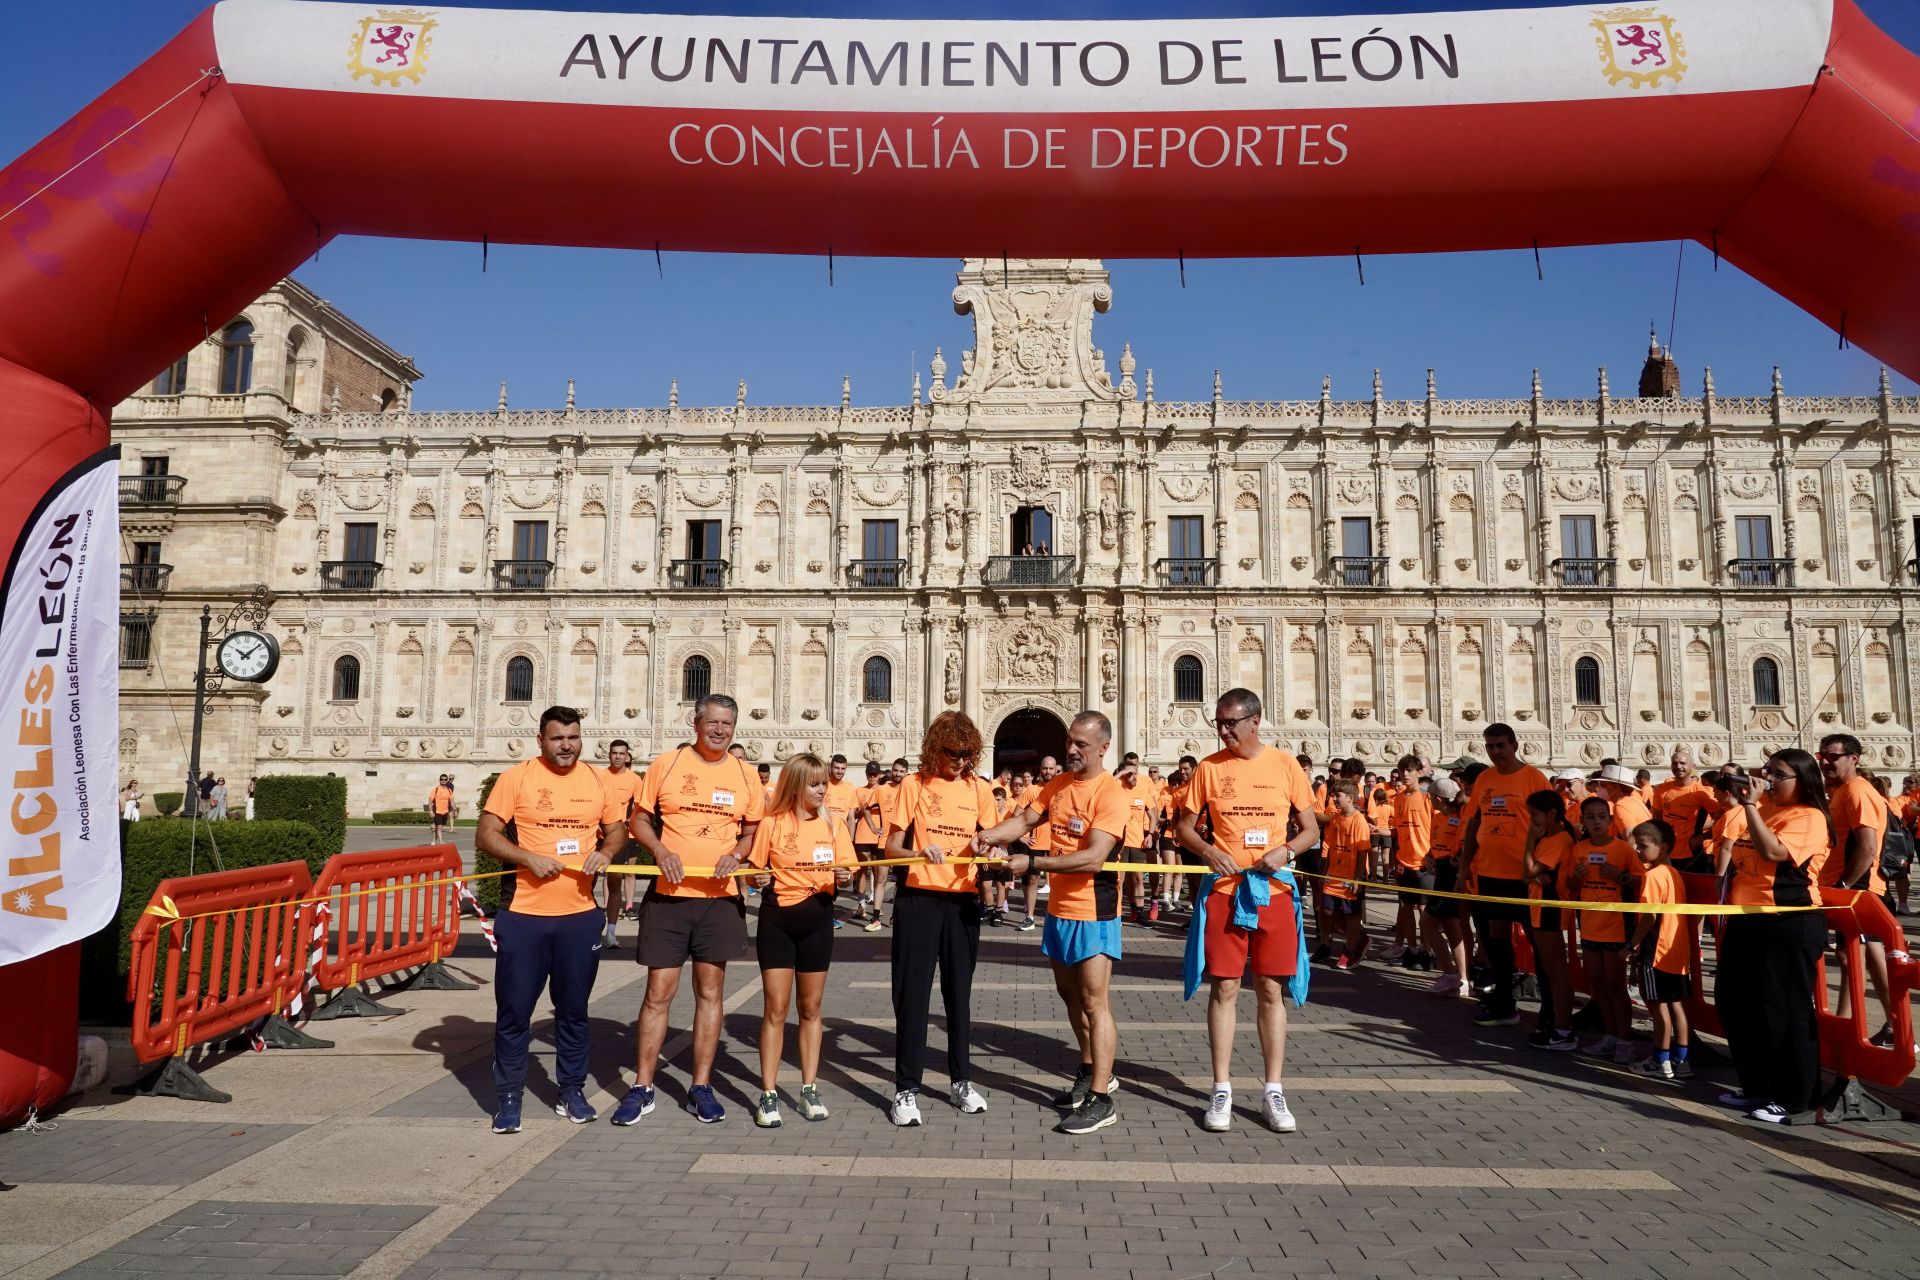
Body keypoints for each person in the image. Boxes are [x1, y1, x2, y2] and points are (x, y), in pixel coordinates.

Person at [974, 711, 1128, 1135]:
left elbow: (1095, 857)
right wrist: (988, 835)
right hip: (1059, 909)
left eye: (1081, 744)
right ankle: (1088, 1068)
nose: (1072, 750)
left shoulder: (1111, 793)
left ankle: (1102, 1096)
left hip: (1094, 909)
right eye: (1070, 742)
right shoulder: (1058, 785)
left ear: (1103, 747)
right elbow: (1024, 820)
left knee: (1095, 1001)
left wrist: (1033, 862)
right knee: (1070, 996)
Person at [1175, 688, 1319, 1135]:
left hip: (1272, 890)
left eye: (1230, 722)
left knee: (1271, 991)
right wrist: (1208, 850)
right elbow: (1184, 827)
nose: (1223, 730)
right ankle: (1221, 1086)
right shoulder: (1209, 769)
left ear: (1255, 720)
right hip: (1224, 889)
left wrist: (1287, 851)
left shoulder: (1285, 765)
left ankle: (1273, 1088)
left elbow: (1311, 829)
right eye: (1218, 722)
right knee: (1225, 988)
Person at [616, 694, 764, 1126]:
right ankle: (642, 1086)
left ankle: (701, 1085)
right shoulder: (668, 764)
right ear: (695, 723)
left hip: (718, 898)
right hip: (669, 897)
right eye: (712, 722)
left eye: (727, 725)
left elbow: (754, 829)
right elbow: (638, 819)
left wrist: (738, 853)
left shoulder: (744, 773)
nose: (719, 730)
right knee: (658, 993)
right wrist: (659, 850)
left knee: (710, 994)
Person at [476, 705, 623, 1134]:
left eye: (573, 737)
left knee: (574, 1011)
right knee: (515, 1011)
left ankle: (571, 1091)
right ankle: (508, 1097)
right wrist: (528, 858)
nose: (567, 746)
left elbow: (617, 830)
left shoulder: (597, 780)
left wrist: (607, 851)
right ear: (540, 740)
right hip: (524, 914)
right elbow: (486, 834)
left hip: (578, 916)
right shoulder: (517, 777)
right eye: (558, 738)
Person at [884, 712, 1000, 1126]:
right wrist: (919, 853)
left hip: (963, 901)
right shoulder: (913, 785)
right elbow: (890, 847)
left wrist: (990, 851)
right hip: (919, 898)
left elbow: (991, 840)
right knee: (912, 995)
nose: (960, 761)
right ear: (936, 748)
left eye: (967, 753)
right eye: (952, 752)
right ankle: (905, 1089)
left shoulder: (978, 788)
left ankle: (961, 1081)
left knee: (959, 995)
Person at [1716, 750, 1830, 1122]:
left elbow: (1772, 851)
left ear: (1802, 779)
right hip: (1748, 918)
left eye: (1779, 774)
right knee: (1736, 1003)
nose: (1769, 779)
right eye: (1768, 771)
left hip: (1787, 920)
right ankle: (1757, 1085)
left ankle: (1796, 1096)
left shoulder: (1809, 816)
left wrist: (1749, 806)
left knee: (1785, 1010)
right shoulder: (1764, 810)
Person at [746, 752, 854, 1127]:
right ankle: (769, 1092)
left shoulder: (834, 826)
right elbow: (753, 873)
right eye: (814, 783)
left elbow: (848, 875)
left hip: (818, 922)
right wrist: (755, 879)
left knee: (811, 1009)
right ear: (795, 786)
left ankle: (809, 1087)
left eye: (824, 782)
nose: (822, 789)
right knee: (776, 1009)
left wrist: (843, 879)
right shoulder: (772, 824)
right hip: (777, 921)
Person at [1458, 724, 1551, 1026]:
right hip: (1489, 873)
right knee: (1495, 939)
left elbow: (1551, 825)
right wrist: (1464, 867)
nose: (1495, 752)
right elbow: (1474, 823)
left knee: (1539, 942)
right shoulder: (1485, 778)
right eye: (1490, 747)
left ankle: (1550, 1010)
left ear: (1514, 745)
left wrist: (1544, 866)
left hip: (1525, 877)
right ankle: (1504, 1002)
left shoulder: (1534, 779)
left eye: (1500, 745)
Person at [1816, 733, 1894, 1042]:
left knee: (1855, 956)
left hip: (1859, 889)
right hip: (1851, 888)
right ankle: (1889, 1024)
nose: (1826, 761)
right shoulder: (1843, 791)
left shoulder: (1857, 791)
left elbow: (1867, 846)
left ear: (1854, 758)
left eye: (1833, 756)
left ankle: (1850, 1026)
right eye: (1823, 755)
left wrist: (1846, 886)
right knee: (1863, 956)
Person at [1566, 795, 1637, 1063]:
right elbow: (1571, 887)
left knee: (1615, 985)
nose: (1597, 821)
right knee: (1597, 985)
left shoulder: (1623, 849)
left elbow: (1640, 882)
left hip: (1616, 926)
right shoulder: (1578, 849)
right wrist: (1577, 878)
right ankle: (1610, 1036)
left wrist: (1618, 876)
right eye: (1591, 817)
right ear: (1582, 821)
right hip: (1589, 924)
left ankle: (1625, 1040)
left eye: (1602, 816)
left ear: (1610, 819)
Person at [1627, 819, 1693, 1081]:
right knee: (1675, 1004)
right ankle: (1682, 1060)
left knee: (1657, 1006)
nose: (1638, 851)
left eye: (1643, 846)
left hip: (1656, 950)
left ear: (1663, 848)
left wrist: (1632, 944)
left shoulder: (1652, 875)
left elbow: (1648, 917)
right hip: (1677, 951)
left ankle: (1660, 1059)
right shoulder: (1674, 873)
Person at [1521, 789, 1576, 1051]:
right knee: (1548, 970)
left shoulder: (1559, 839)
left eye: (1534, 814)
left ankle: (1564, 1030)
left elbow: (1530, 868)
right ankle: (1556, 1024)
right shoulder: (1550, 837)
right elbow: (1527, 874)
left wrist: (1530, 840)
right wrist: (1531, 876)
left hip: (1550, 909)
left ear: (1551, 814)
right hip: (1538, 907)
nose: (1532, 820)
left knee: (1556, 972)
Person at [1420, 776, 1472, 997]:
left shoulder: (1460, 818)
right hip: (1440, 870)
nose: (1429, 800)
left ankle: (1451, 974)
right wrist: (1429, 858)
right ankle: (1461, 978)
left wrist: (1456, 861)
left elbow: (1461, 845)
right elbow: (1434, 845)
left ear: (1438, 798)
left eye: (1431, 796)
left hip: (1451, 874)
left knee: (1427, 921)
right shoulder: (1438, 817)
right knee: (1452, 926)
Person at [1388, 755, 1433, 968]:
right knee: (1405, 906)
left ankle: (1427, 951)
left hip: (1423, 860)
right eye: (1402, 770)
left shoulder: (1428, 799)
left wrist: (1432, 855)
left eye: (1410, 770)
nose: (1405, 774)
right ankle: (1412, 949)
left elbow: (1436, 829)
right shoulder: (1398, 798)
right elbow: (1398, 830)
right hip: (1404, 860)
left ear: (1419, 772)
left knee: (1424, 910)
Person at [1320, 781, 1372, 970]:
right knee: (1326, 910)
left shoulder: (1359, 820)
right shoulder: (1335, 818)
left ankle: (1351, 950)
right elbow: (1331, 847)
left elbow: (1363, 851)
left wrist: (1357, 878)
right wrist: (1325, 871)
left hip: (1350, 876)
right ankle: (1359, 936)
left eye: (1338, 796)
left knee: (1351, 915)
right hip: (1334, 873)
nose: (1334, 799)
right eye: (1334, 795)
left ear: (1350, 798)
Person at [599, 742, 643, 950]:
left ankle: (611, 932)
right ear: (609, 755)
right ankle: (587, 926)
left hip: (619, 837)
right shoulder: (599, 776)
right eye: (614, 753)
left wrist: (627, 826)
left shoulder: (635, 780)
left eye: (621, 754)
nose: (617, 757)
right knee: (586, 880)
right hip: (597, 835)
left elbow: (639, 808)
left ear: (627, 757)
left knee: (615, 881)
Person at [1014, 757, 1060, 931]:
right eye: (1045, 768)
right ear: (1040, 769)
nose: (1048, 771)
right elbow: (1017, 814)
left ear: (1056, 769)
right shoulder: (1032, 790)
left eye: (1051, 768)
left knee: (1058, 881)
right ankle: (1030, 917)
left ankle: (1057, 916)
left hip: (1058, 842)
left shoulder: (1062, 789)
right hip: (1037, 843)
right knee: (1033, 879)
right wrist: (1022, 836)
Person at [1653, 749, 1716, 869]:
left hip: (1691, 853)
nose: (1678, 766)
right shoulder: (1661, 790)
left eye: (1682, 763)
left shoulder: (1701, 792)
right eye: (1674, 763)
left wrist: (1703, 837)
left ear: (1693, 766)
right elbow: (1656, 820)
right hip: (1666, 852)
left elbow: (1722, 819)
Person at [852, 761, 887, 925]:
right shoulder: (859, 791)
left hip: (880, 835)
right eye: (869, 774)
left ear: (879, 775)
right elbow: (854, 811)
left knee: (877, 870)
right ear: (866, 774)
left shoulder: (883, 791)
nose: (872, 777)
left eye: (875, 774)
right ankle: (861, 904)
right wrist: (860, 811)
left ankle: (876, 902)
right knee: (862, 869)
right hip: (862, 833)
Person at [1590, 763, 1653, 840]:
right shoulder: (1634, 799)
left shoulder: (1621, 805)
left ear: (1616, 787)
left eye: (1603, 785)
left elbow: (1630, 839)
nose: (1599, 788)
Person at [430, 774, 456, 843]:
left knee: (439, 827)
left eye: (445, 779)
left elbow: (452, 801)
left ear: (447, 780)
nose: (443, 781)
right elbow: (430, 802)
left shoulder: (449, 790)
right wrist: (431, 811)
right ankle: (441, 842)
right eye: (442, 779)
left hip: (445, 811)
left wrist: (455, 810)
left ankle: (433, 841)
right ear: (439, 780)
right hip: (437, 811)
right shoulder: (435, 789)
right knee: (439, 827)